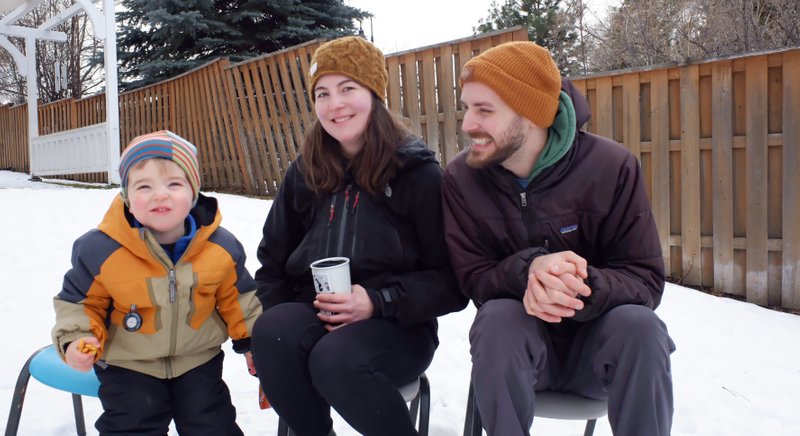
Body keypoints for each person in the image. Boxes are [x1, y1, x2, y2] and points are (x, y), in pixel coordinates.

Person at [441, 41, 676, 436]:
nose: (467, 125)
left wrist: (576, 283)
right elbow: (473, 277)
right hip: (519, 353)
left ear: (531, 114)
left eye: (484, 110)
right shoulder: (462, 179)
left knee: (642, 327)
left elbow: (645, 280)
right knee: (497, 318)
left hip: (599, 350)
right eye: (467, 107)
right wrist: (529, 270)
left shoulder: (612, 167)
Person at [250, 36, 467, 436]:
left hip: (399, 327)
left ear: (374, 93)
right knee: (272, 333)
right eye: (322, 93)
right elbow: (271, 265)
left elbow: (451, 281)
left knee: (334, 358)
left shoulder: (416, 174)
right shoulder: (305, 173)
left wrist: (377, 301)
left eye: (348, 88)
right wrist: (276, 335)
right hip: (317, 315)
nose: (335, 105)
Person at [51, 130, 262, 436]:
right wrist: (76, 338)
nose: (160, 194)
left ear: (193, 193)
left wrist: (253, 343)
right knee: (133, 427)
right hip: (128, 365)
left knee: (212, 426)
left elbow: (239, 299)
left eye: (174, 184)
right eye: (144, 186)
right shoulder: (100, 249)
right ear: (127, 198)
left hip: (198, 362)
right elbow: (80, 302)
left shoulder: (220, 247)